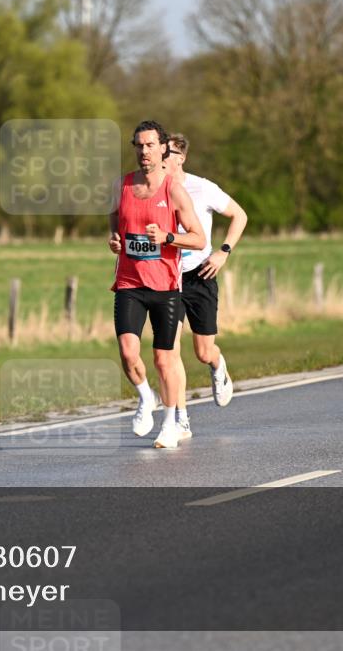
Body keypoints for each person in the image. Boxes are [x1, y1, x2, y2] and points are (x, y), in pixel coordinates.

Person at [108, 120, 206, 449]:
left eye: (150, 145)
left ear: (163, 148)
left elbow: (199, 238)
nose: (144, 151)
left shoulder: (172, 190)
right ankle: (144, 398)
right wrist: (115, 240)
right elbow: (115, 221)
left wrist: (167, 237)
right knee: (127, 352)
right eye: (139, 145)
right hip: (129, 283)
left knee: (165, 360)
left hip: (165, 288)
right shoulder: (122, 187)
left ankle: (169, 423)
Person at [164, 133, 248, 439]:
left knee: (202, 351)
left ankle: (217, 365)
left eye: (168, 152)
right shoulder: (155, 190)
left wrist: (223, 252)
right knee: (168, 352)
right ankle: (180, 420)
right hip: (167, 277)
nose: (161, 157)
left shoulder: (203, 188)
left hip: (200, 275)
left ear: (181, 157)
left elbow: (239, 215)